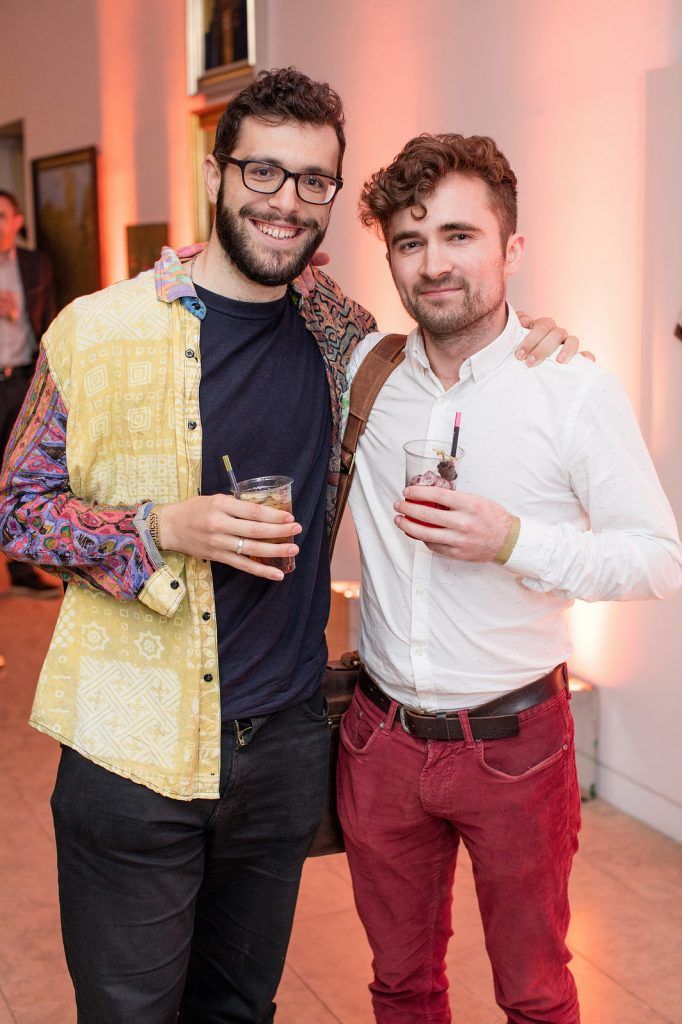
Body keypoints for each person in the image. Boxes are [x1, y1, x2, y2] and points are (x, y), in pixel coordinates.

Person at [0, 71, 577, 1023]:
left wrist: (531, 343)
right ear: (216, 171)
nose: (287, 200)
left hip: (283, 751)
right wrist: (159, 526)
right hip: (128, 752)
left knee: (240, 1008)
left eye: (314, 181)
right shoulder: (95, 332)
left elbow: (443, 347)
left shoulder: (338, 337)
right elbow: (17, 509)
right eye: (263, 170)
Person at [336, 133, 682, 1024]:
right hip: (379, 741)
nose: (435, 263)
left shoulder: (570, 388)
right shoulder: (363, 372)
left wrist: (513, 539)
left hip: (516, 747)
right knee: (401, 984)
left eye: (460, 235)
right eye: (411, 244)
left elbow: (655, 558)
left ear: (511, 248)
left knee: (534, 991)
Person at [0, 189, 59, 597]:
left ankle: (20, 569)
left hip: (21, 380)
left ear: (18, 221)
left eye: (2, 216)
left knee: (17, 475)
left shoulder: (35, 264)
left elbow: (50, 322)